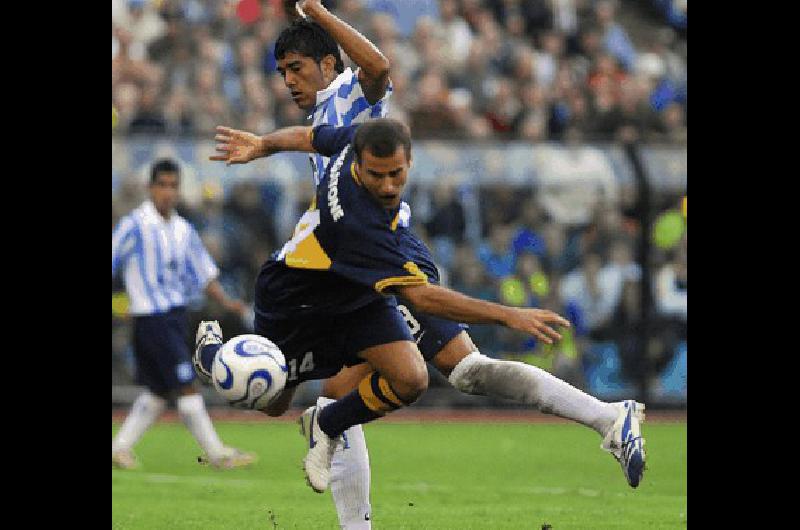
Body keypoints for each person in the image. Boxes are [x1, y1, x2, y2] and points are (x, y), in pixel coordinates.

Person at [201, 119, 647, 495]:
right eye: (377, 176)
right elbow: (421, 297)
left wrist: (264, 144)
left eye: (396, 173)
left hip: (365, 288)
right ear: (358, 164)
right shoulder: (358, 223)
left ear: (410, 160)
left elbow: (311, 136)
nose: (388, 184)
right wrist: (508, 313)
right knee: (272, 400)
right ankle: (214, 355)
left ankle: (609, 418)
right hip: (301, 297)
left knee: (440, 373)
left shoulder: (357, 140)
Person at [111, 158, 256, 470]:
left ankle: (119, 447)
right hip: (152, 317)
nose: (167, 192)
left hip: (176, 316)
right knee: (186, 385)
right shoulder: (134, 225)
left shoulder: (183, 229)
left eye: (173, 186)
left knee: (158, 392)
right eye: (161, 185)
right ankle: (217, 454)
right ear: (150, 188)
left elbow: (203, 272)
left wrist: (227, 301)